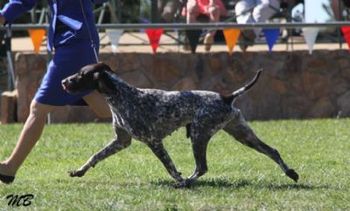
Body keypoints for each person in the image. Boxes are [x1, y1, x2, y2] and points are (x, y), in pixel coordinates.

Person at [0, 0, 111, 184]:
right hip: (72, 41)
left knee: (38, 108)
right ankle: (148, 115)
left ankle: (10, 167)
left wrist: (4, 14)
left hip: (75, 43)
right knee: (98, 104)